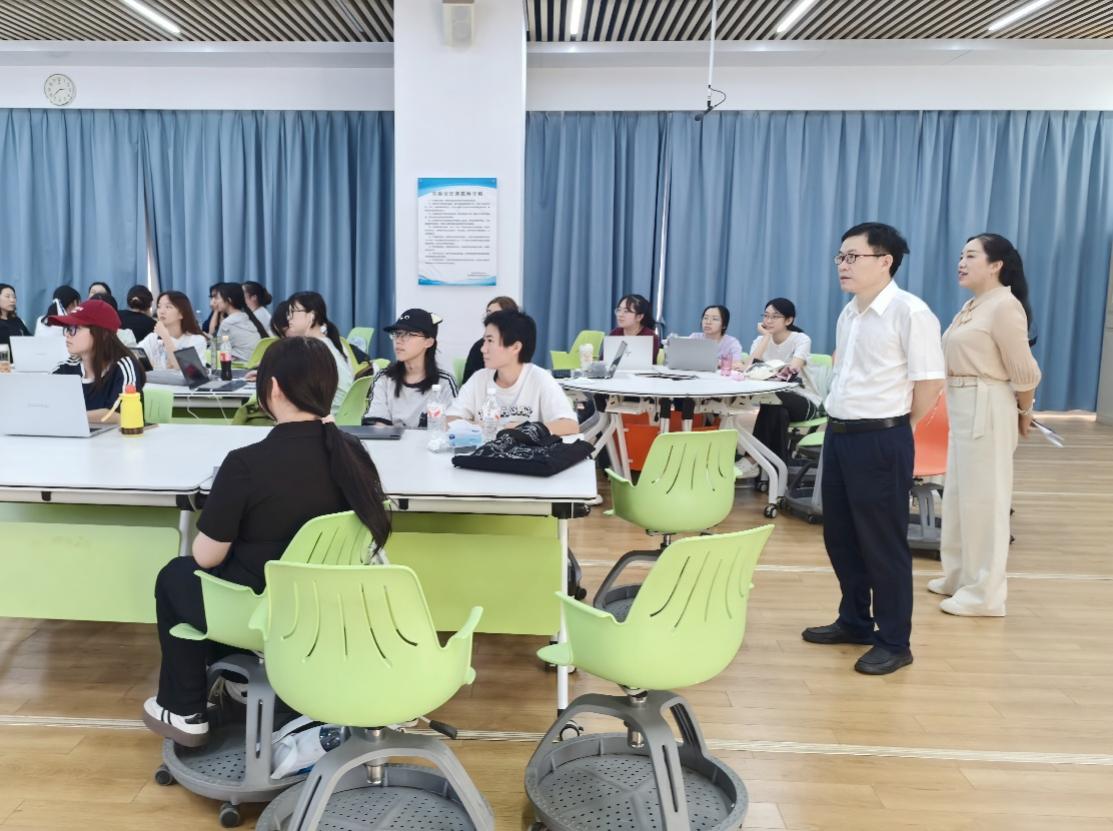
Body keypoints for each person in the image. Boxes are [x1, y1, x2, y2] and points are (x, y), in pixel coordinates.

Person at [141, 336, 392, 746]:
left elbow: (206, 557)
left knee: (176, 575)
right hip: (327, 608)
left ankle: (184, 709)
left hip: (259, 615)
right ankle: (235, 681)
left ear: (273, 388)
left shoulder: (245, 464)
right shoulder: (354, 456)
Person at [802, 222, 944, 676]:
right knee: (841, 536)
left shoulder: (911, 312)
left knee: (882, 543)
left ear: (885, 261)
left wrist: (898, 428)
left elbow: (929, 383)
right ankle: (854, 621)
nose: (842, 265)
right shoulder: (850, 313)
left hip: (881, 438)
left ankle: (895, 641)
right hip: (840, 433)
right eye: (840, 257)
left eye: (853, 257)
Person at [930, 234, 1042, 617]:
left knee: (986, 500)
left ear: (996, 265)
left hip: (987, 405)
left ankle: (985, 595)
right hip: (962, 404)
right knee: (959, 495)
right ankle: (959, 575)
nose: (961, 262)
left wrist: (1025, 411)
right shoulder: (973, 305)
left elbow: (1024, 371)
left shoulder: (1005, 306)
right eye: (961, 255)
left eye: (971, 256)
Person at [448, 309, 578, 436]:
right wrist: (487, 428)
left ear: (515, 347)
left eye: (490, 341)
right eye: (484, 341)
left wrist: (519, 429)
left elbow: (570, 425)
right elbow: (449, 419)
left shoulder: (540, 378)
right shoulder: (479, 379)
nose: (483, 349)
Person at [744, 298, 823, 463]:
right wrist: (766, 337)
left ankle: (751, 460)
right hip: (774, 400)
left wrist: (763, 373)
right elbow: (749, 370)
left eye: (775, 316)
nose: (768, 320)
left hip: (805, 401)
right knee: (777, 412)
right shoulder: (760, 341)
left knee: (771, 399)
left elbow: (791, 372)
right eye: (766, 316)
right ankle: (777, 469)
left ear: (788, 320)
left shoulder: (801, 339)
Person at [49, 298, 146, 421]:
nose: (67, 335)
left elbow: (123, 414)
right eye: (68, 328)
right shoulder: (64, 369)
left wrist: (68, 416)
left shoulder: (123, 366)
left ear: (103, 334)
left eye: (75, 328)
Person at [365, 309, 458, 428]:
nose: (398, 340)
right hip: (390, 441)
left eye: (409, 334)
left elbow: (453, 426)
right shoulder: (384, 378)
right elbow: (379, 427)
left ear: (429, 342)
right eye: (397, 334)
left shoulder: (444, 382)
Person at [284, 291, 352, 415]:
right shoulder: (332, 342)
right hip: (342, 414)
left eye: (293, 312)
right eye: (288, 313)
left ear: (312, 316)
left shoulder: (314, 349)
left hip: (328, 415)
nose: (289, 318)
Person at [138, 291, 208, 371]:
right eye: (159, 306)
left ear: (181, 313)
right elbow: (134, 355)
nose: (161, 311)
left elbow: (185, 370)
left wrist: (165, 337)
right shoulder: (152, 338)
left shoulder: (196, 340)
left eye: (168, 307)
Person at [462, 296, 518, 385]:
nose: (490, 318)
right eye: (488, 314)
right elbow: (469, 382)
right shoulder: (479, 346)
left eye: (496, 314)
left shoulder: (517, 345)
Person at [213, 282, 268, 362]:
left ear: (229, 300)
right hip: (252, 364)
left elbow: (215, 351)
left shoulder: (228, 323)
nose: (215, 302)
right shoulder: (246, 317)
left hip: (240, 366)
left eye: (218, 298)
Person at [609, 293, 661, 362]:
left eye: (626, 311)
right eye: (619, 310)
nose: (620, 315)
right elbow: (604, 361)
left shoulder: (650, 337)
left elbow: (646, 364)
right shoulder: (615, 333)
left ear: (639, 317)